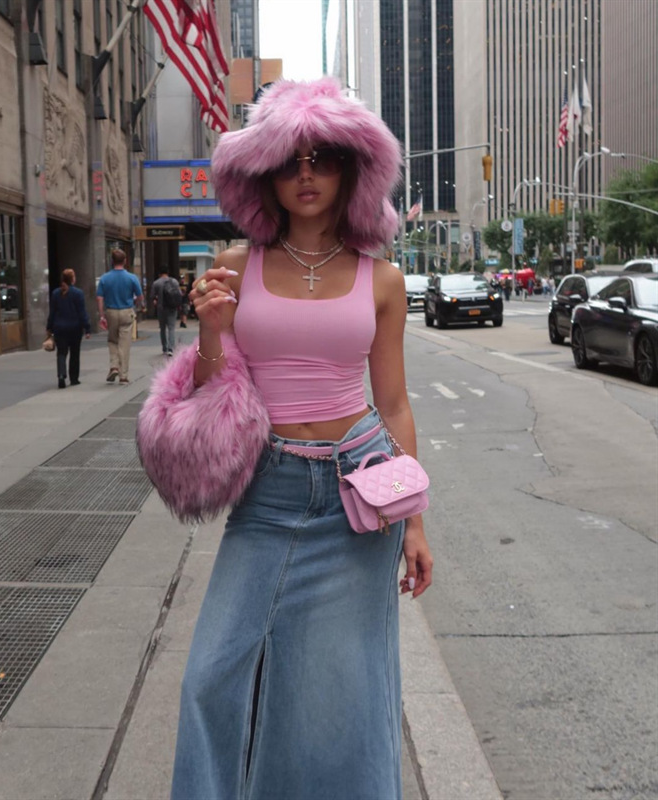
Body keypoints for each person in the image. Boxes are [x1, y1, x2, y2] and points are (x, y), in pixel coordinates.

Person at [172, 78, 433, 800]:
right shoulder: (235, 266)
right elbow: (213, 390)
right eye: (291, 160)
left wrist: (414, 520)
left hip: (359, 494)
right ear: (266, 174)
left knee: (339, 692)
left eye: (323, 158)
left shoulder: (383, 279)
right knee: (210, 676)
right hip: (269, 489)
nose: (307, 174)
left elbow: (394, 402)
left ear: (352, 170)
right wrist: (211, 331)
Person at [96, 249, 143, 384]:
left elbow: (99, 298)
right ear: (125, 261)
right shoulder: (132, 278)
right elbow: (140, 296)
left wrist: (102, 315)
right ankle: (123, 375)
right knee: (124, 343)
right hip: (126, 311)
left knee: (112, 340)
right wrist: (138, 305)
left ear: (112, 261)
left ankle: (114, 366)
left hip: (111, 311)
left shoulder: (105, 278)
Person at [46, 268, 90, 389]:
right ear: (72, 279)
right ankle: (74, 378)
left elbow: (52, 312)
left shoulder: (56, 293)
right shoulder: (78, 293)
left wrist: (49, 327)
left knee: (61, 352)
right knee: (74, 353)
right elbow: (82, 312)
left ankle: (61, 375)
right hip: (75, 328)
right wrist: (87, 327)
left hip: (59, 328)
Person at [150, 267, 182, 356]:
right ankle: (171, 348)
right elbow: (179, 293)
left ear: (159, 273)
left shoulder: (156, 283)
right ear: (168, 272)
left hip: (161, 308)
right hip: (172, 308)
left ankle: (164, 347)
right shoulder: (174, 281)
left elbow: (152, 296)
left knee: (162, 328)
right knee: (171, 328)